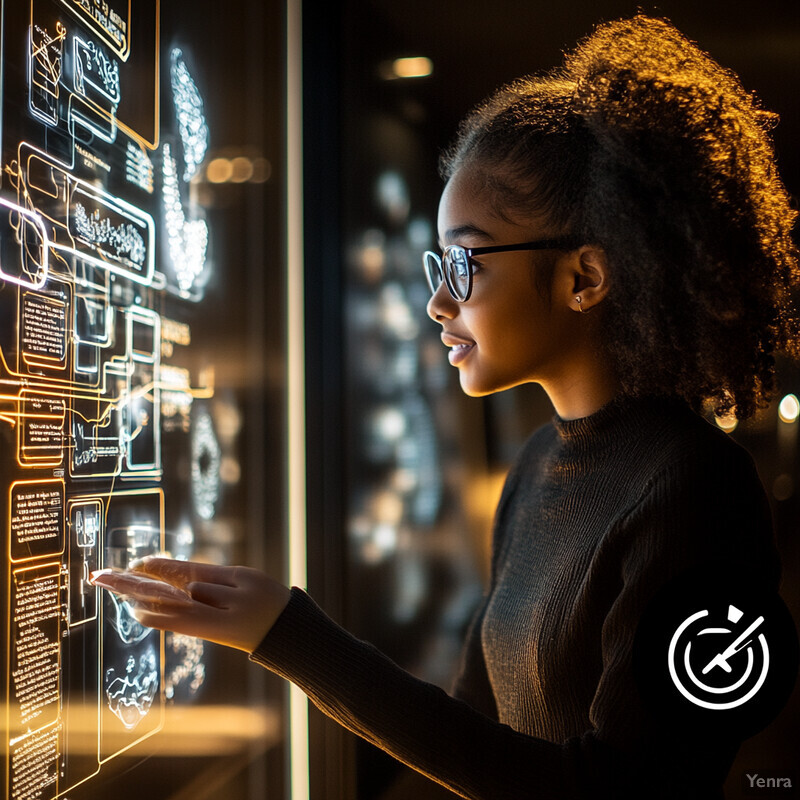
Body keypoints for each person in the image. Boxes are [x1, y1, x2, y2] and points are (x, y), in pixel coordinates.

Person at [91, 15, 800, 799]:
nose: (437, 301)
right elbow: (473, 731)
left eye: (464, 263)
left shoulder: (701, 490)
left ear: (583, 279)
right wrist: (280, 634)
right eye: (441, 263)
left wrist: (288, 635)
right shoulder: (536, 466)